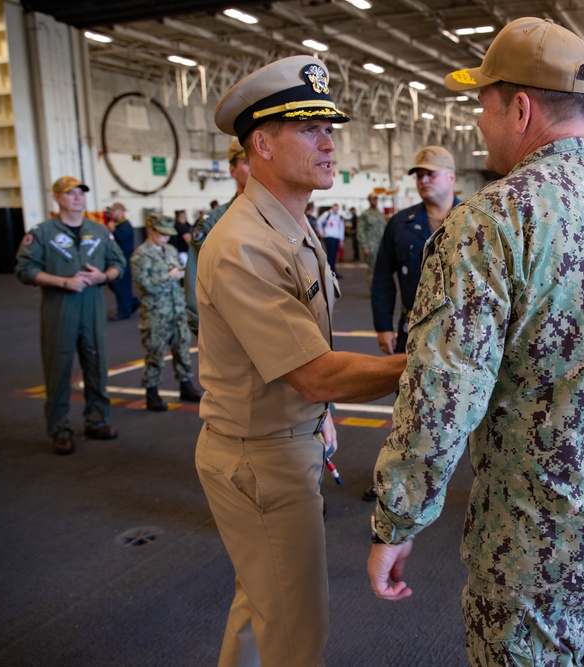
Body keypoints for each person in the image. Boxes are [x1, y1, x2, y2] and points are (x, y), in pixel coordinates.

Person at [367, 18, 584, 667]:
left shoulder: (487, 224)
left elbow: (442, 399)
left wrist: (397, 523)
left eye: (483, 105)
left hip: (539, 550)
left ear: (519, 107)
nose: (480, 123)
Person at [198, 55, 406, 666]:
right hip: (261, 459)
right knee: (295, 633)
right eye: (311, 129)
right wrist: (437, 361)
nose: (329, 142)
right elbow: (314, 373)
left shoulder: (293, 223)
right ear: (261, 143)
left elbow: (303, 361)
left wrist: (318, 418)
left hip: (286, 437)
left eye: (330, 128)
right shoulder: (245, 245)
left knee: (260, 610)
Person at [15, 176, 126, 455]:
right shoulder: (42, 233)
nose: (77, 197)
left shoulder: (99, 231)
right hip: (59, 308)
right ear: (57, 198)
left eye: (80, 193)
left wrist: (103, 276)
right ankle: (60, 428)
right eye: (70, 193)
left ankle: (97, 420)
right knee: (58, 369)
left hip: (92, 307)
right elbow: (25, 269)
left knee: (97, 365)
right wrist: (62, 282)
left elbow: (118, 264)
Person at [372, 145, 459, 355]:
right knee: (407, 387)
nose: (423, 180)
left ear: (451, 177)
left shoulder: (474, 221)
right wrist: (383, 326)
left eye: (431, 174)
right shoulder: (400, 224)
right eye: (419, 175)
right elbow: (383, 277)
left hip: (460, 331)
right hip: (412, 329)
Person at [130, 214, 203, 412]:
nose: (166, 238)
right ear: (151, 230)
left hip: (177, 308)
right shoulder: (141, 255)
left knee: (182, 348)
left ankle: (186, 385)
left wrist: (179, 274)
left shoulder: (170, 250)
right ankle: (151, 392)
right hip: (156, 312)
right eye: (162, 234)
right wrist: (168, 277)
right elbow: (142, 285)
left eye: (168, 234)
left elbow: (179, 272)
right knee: (155, 352)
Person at [185, 138, 250, 336]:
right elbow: (196, 273)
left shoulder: (285, 216)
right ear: (232, 170)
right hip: (231, 327)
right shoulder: (214, 221)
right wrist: (198, 321)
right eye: (247, 162)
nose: (256, 168)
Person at [105, 201, 140, 320]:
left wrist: (113, 230)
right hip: (118, 259)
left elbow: (121, 238)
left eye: (114, 211)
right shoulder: (118, 224)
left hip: (124, 258)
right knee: (116, 285)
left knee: (122, 285)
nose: (112, 213)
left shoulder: (125, 225)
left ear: (121, 211)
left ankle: (124, 311)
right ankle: (132, 302)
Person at [357, 193, 386, 286]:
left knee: (382, 269)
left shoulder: (380, 213)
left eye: (376, 199)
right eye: (373, 199)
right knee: (372, 270)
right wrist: (364, 246)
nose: (375, 201)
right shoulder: (365, 215)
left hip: (381, 245)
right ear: (369, 200)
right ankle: (373, 290)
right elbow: (360, 231)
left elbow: (385, 229)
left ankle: (380, 289)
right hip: (371, 246)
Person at [317, 203, 345, 277]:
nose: (335, 210)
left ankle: (333, 271)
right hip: (329, 236)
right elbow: (319, 221)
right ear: (332, 208)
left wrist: (341, 239)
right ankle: (330, 272)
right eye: (334, 208)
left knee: (334, 255)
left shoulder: (339, 216)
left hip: (336, 237)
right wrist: (321, 232)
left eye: (336, 209)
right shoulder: (327, 214)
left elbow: (341, 228)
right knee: (331, 255)